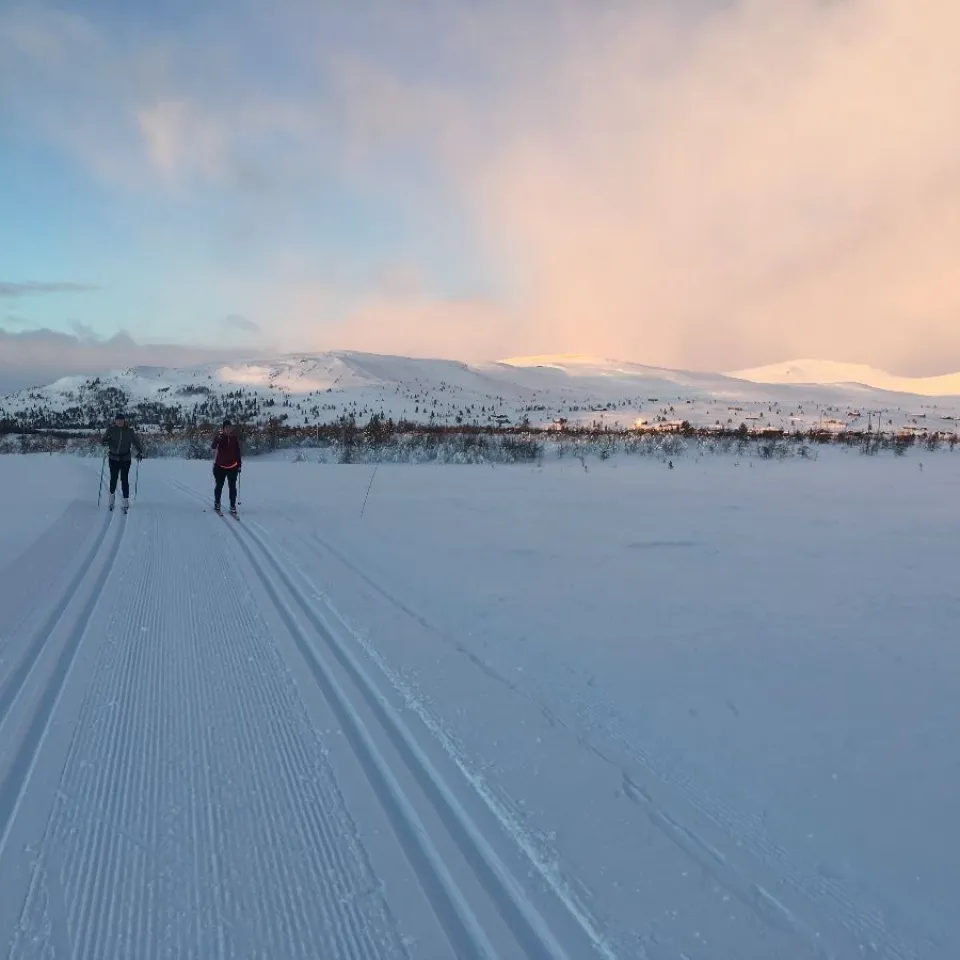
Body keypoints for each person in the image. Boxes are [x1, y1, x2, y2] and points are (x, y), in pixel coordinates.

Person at [102, 412, 144, 512]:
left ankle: (125, 500)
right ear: (115, 421)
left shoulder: (129, 431)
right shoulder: (111, 430)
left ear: (124, 421)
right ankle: (111, 499)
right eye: (118, 420)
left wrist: (139, 452)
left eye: (121, 420)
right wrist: (105, 441)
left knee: (124, 479)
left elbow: (136, 443)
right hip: (113, 458)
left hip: (125, 458)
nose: (120, 422)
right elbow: (103, 441)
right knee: (113, 478)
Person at [211, 419, 242, 515]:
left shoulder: (234, 438)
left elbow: (237, 452)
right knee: (219, 486)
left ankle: (232, 505)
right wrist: (217, 439)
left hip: (233, 466)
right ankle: (217, 503)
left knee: (232, 487)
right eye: (226, 428)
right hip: (220, 466)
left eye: (230, 427)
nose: (228, 429)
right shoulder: (220, 437)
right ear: (223, 428)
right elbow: (213, 446)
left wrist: (239, 464)